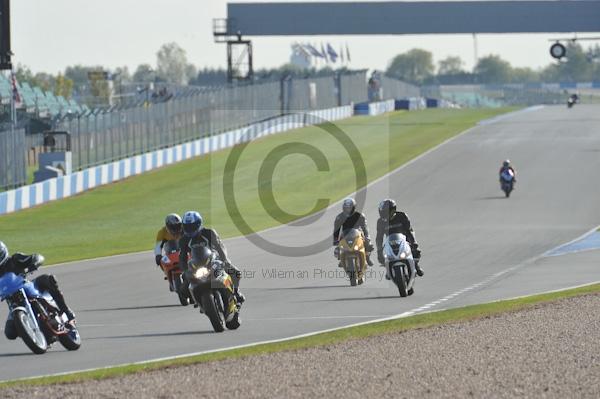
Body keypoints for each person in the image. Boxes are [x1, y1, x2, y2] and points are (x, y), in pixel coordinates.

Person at [0, 241, 75, 340]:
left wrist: (34, 263)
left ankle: (66, 311)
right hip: (13, 300)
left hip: (28, 287)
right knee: (10, 333)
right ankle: (31, 331)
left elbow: (36, 257)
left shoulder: (15, 259)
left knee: (48, 279)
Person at [178, 211, 244, 303]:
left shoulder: (209, 233)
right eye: (187, 226)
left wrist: (224, 260)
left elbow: (220, 246)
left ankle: (236, 292)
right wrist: (184, 269)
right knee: (183, 290)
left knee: (236, 273)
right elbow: (182, 256)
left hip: (213, 261)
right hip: (195, 265)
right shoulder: (183, 240)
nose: (189, 229)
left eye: (192, 226)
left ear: (198, 224)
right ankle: (197, 300)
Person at [375, 199, 424, 277]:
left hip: (404, 239)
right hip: (390, 242)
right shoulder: (380, 222)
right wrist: (379, 250)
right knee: (383, 256)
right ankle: (388, 269)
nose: (384, 214)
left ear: (393, 210)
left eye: (386, 212)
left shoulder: (402, 216)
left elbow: (409, 230)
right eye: (383, 212)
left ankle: (416, 266)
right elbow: (379, 237)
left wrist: (414, 242)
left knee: (416, 251)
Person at [333, 198, 374, 266]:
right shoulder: (339, 217)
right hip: (345, 234)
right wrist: (335, 240)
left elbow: (364, 227)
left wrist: (367, 236)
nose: (348, 210)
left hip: (357, 233)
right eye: (347, 208)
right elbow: (336, 230)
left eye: (350, 208)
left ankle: (367, 257)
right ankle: (342, 258)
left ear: (354, 207)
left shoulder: (360, 215)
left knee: (367, 243)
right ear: (344, 208)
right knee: (338, 247)